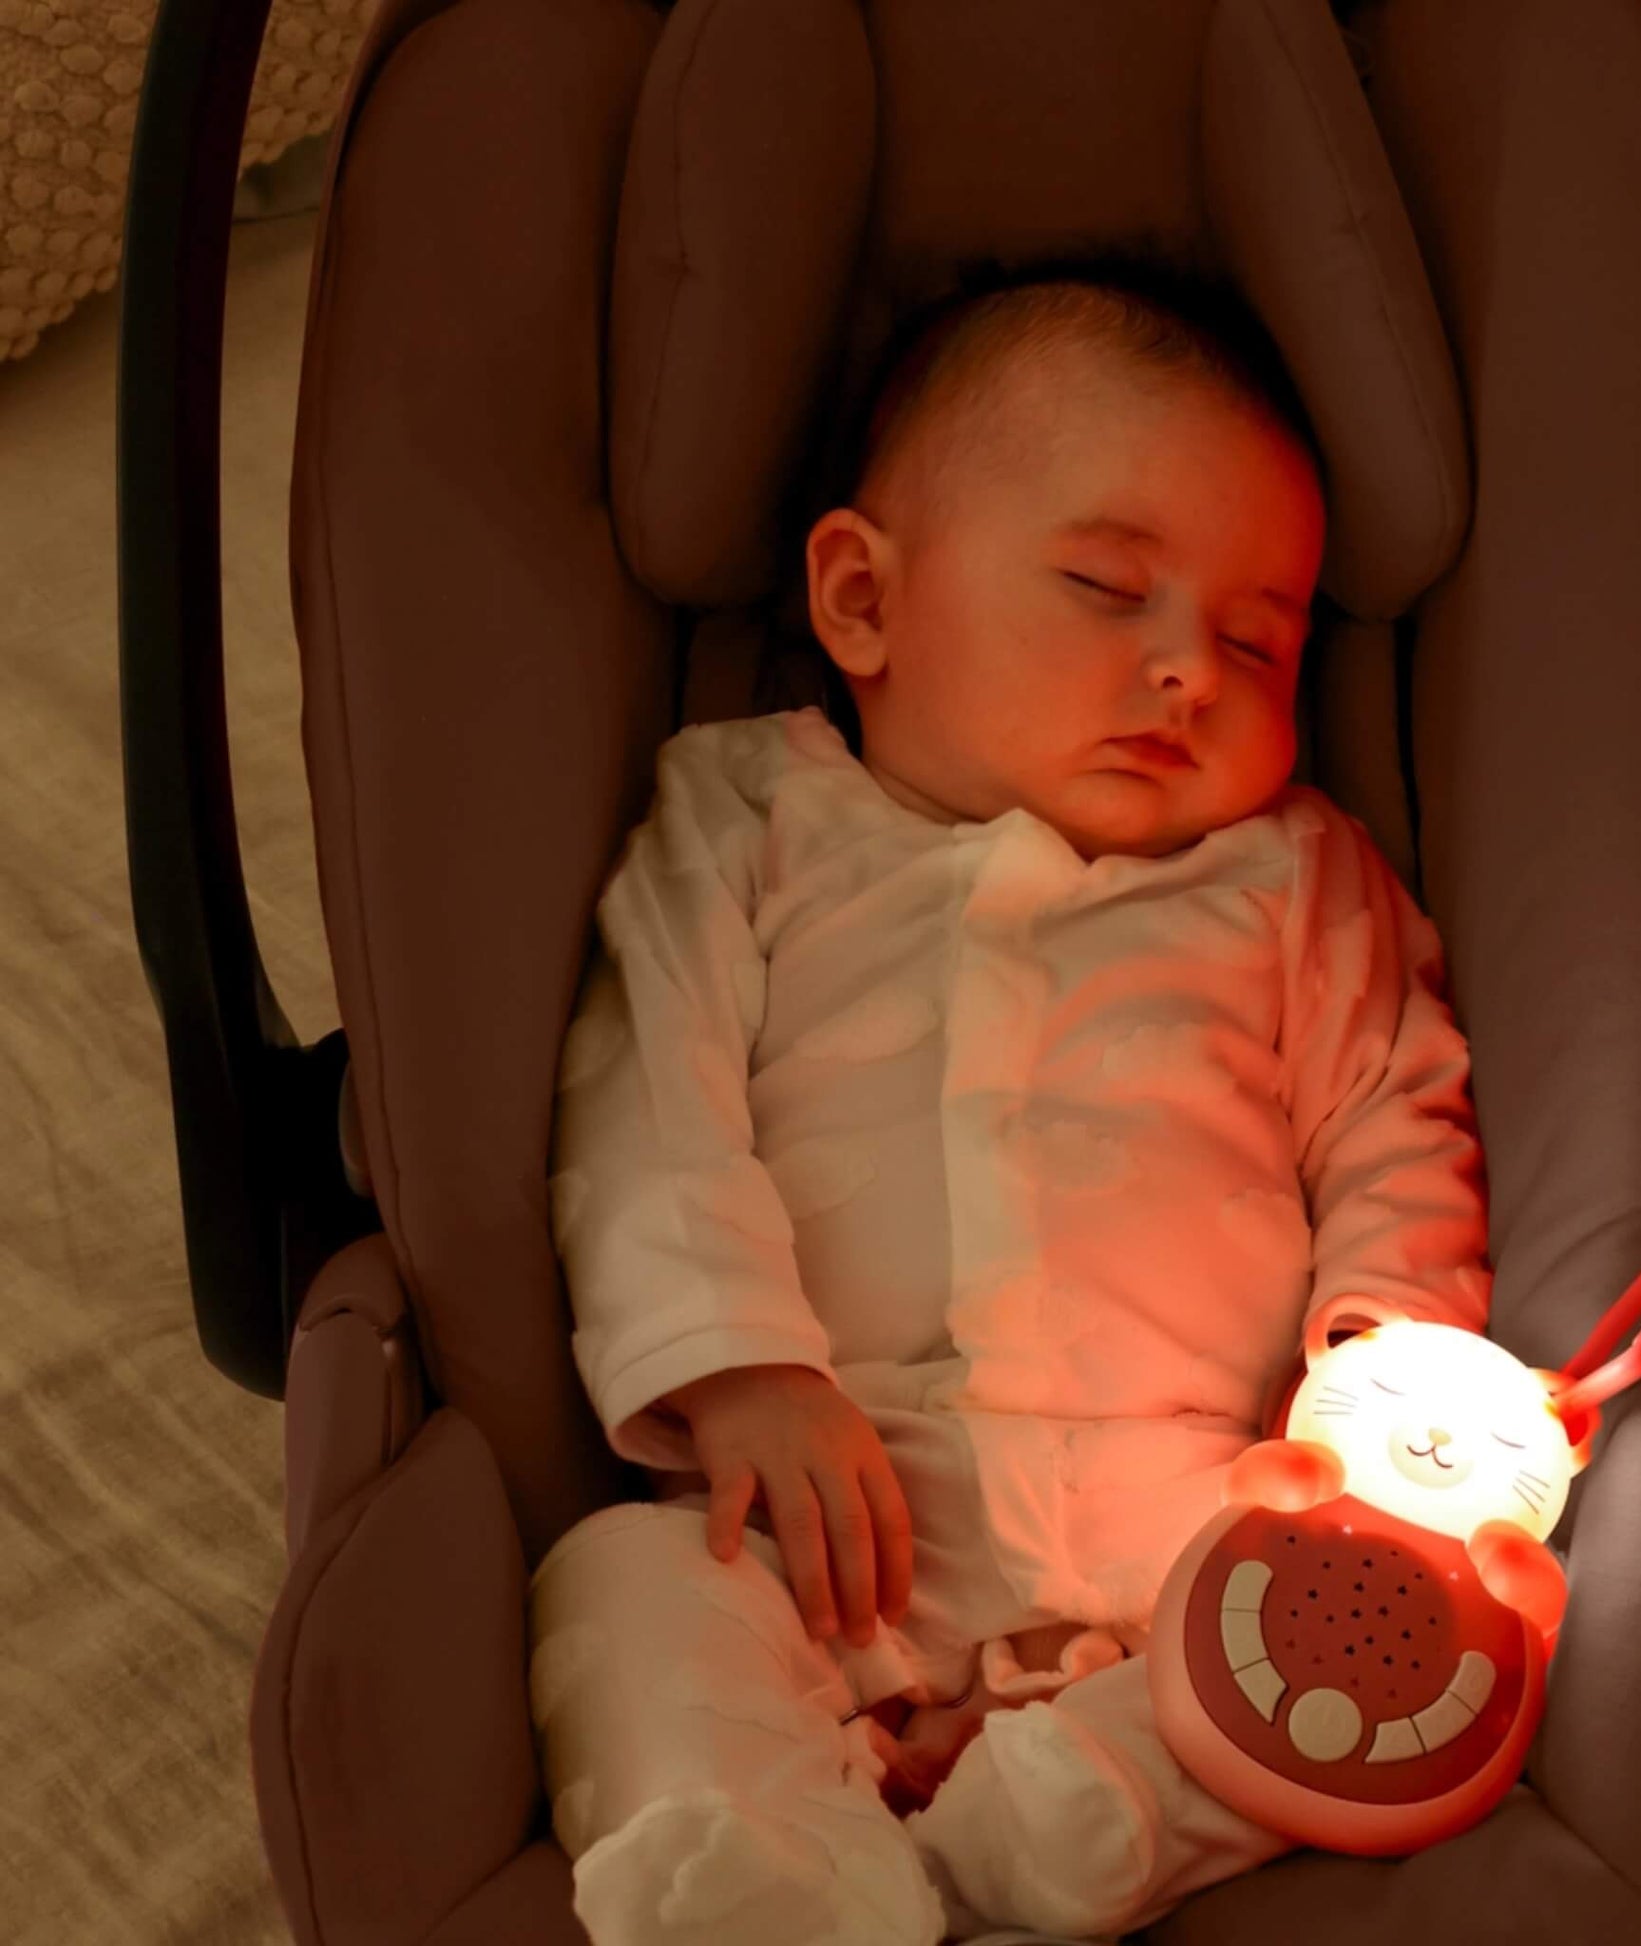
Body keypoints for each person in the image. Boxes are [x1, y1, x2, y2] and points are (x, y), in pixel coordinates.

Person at [526, 253, 1495, 1945]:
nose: (1188, 666)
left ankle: (1060, 1817)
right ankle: (779, 1881)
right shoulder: (749, 818)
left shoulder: (1291, 876)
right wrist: (740, 1364)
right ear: (861, 599)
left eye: (1258, 642)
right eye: (1109, 590)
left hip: (1195, 1507)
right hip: (826, 1492)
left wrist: (1378, 1372)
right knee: (615, 1587)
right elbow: (644, 1090)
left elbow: (1396, 1118)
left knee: (1418, 1626)